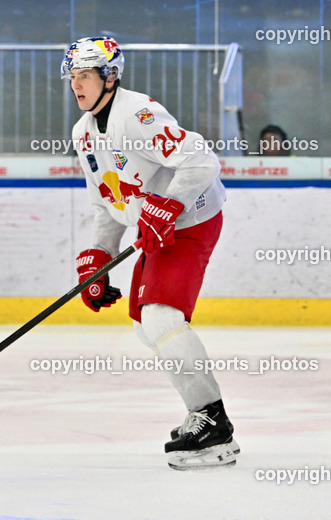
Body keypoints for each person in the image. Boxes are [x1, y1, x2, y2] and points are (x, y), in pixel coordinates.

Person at [64, 36, 239, 470]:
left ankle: (215, 422)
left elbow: (201, 160)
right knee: (148, 325)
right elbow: (108, 203)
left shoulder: (137, 113)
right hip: (155, 226)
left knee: (162, 315)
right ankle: (201, 413)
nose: (77, 85)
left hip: (191, 221)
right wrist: (98, 256)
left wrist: (172, 202)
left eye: (85, 75)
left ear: (110, 76)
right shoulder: (83, 133)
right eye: (72, 77)